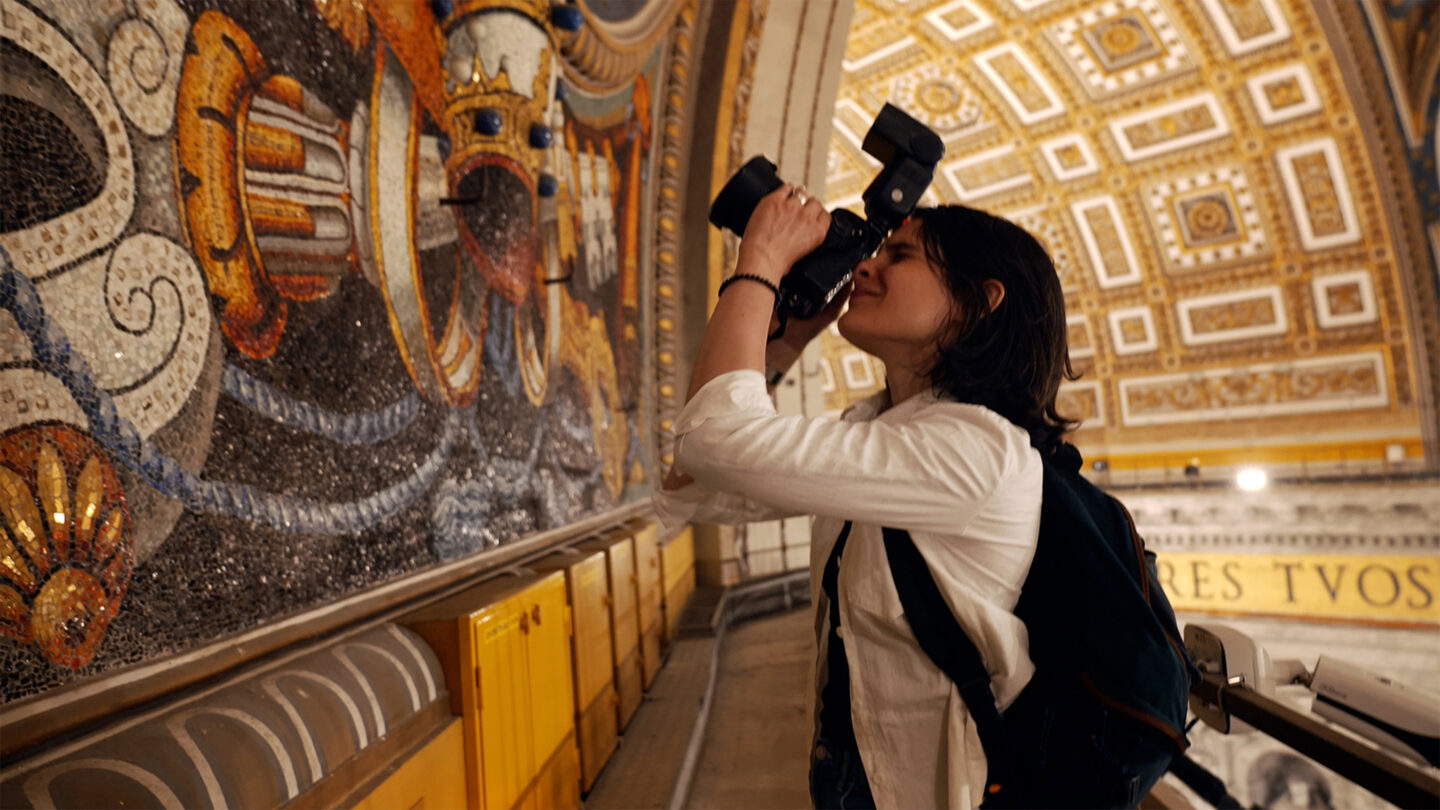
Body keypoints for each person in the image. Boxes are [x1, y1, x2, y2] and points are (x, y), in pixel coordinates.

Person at [654, 183, 1077, 809]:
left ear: (979, 302)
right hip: (855, 775)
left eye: (899, 257)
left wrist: (761, 265)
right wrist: (787, 337)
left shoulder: (978, 451)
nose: (864, 265)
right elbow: (700, 484)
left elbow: (711, 441)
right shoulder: (876, 428)